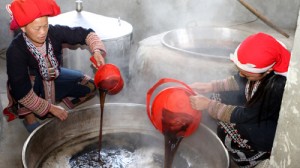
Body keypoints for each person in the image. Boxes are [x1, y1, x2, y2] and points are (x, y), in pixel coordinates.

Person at [3, 0, 107, 133]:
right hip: (31, 84)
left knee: (90, 86)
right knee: (23, 89)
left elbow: (86, 34)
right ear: (23, 28)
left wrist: (96, 51)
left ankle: (57, 106)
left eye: (45, 26)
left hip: (54, 76)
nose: (42, 32)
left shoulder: (54, 32)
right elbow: (21, 91)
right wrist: (50, 108)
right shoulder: (15, 50)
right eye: (37, 28)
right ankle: (29, 118)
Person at [189, 32, 290, 167]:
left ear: (268, 71)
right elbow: (239, 79)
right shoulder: (263, 68)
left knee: (227, 131)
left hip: (264, 124)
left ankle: (249, 158)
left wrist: (209, 105)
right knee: (217, 95)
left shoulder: (276, 87)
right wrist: (210, 86)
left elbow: (248, 115)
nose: (241, 75)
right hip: (255, 107)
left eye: (247, 75)